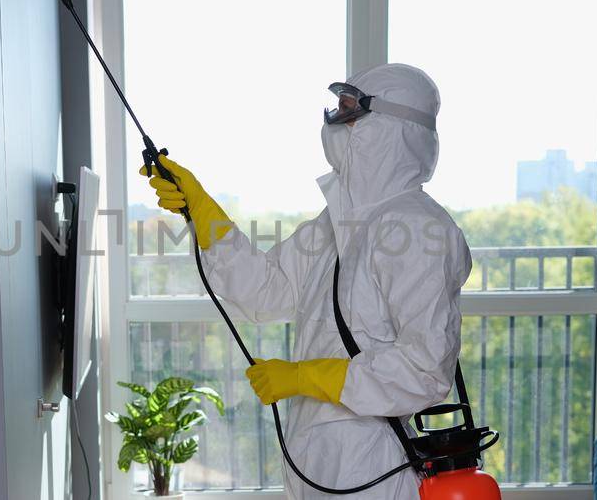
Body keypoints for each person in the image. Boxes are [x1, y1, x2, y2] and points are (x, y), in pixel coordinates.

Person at [139, 63, 470, 499]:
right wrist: (202, 210)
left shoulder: (418, 229)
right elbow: (265, 289)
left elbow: (425, 369)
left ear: (390, 128)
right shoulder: (338, 223)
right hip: (319, 458)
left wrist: (306, 377)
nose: (337, 121)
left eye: (350, 110)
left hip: (371, 464)